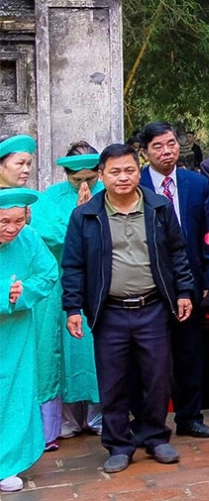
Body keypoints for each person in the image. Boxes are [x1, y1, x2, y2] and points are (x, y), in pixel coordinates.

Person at [60, 144, 194, 473]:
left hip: (153, 307)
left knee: (157, 376)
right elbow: (73, 265)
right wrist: (73, 307)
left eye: (129, 170)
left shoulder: (159, 208)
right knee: (113, 381)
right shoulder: (85, 215)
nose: (123, 177)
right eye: (115, 172)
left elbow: (178, 253)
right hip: (109, 311)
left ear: (139, 170)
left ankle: (154, 436)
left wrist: (184, 291)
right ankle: (119, 444)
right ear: (101, 175)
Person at [134, 122, 209, 440]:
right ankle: (148, 423)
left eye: (171, 143)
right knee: (149, 357)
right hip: (148, 283)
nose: (167, 151)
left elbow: (208, 235)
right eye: (157, 146)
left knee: (190, 353)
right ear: (144, 153)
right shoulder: (135, 184)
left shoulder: (195, 183)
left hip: (191, 282)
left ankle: (189, 417)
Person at [32, 145, 101, 439]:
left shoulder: (109, 192)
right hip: (64, 281)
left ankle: (100, 417)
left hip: (98, 282)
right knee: (67, 352)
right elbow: (50, 236)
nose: (84, 186)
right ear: (66, 175)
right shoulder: (48, 198)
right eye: (76, 180)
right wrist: (78, 217)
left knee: (95, 351)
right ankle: (69, 419)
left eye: (90, 178)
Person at [0, 188, 57, 493]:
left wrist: (24, 294)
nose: (11, 228)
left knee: (14, 392)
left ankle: (7, 463)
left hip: (17, 330)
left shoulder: (29, 238)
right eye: (4, 221)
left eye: (18, 221)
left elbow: (48, 274)